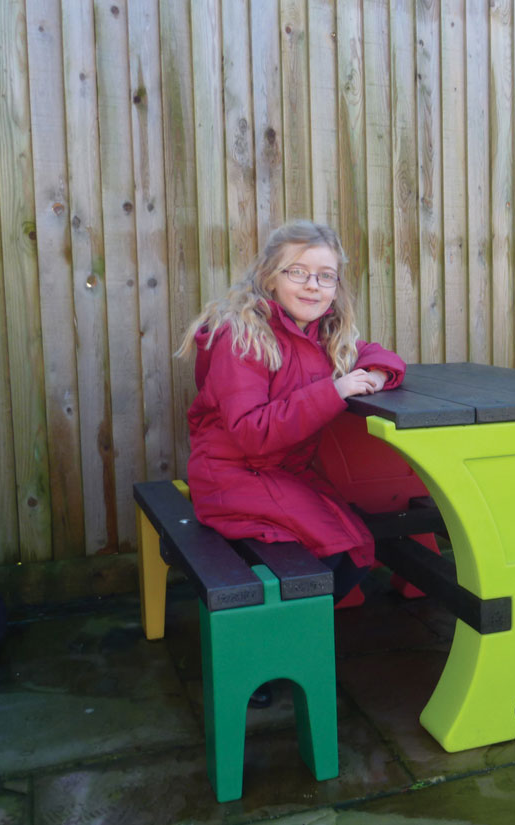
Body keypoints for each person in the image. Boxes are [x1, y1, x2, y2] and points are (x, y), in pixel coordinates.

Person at [177, 220, 405, 707]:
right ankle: (255, 660)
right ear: (269, 276)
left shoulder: (322, 333)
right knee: (330, 552)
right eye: (297, 272)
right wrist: (335, 391)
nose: (313, 285)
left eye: (326, 276)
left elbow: (376, 353)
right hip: (231, 474)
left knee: (355, 546)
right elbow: (252, 433)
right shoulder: (242, 337)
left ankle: (284, 647)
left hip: (280, 472)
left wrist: (376, 371)